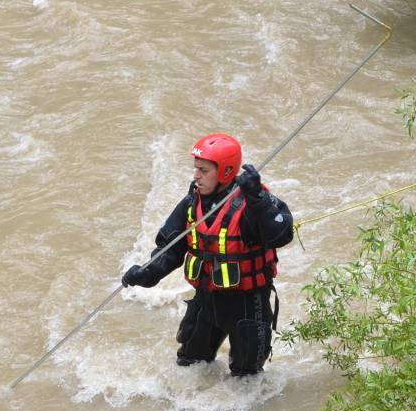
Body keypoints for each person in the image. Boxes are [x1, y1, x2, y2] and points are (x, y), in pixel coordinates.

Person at [121, 133, 293, 376]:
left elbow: (281, 234)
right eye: (196, 169)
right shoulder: (192, 203)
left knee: (247, 380)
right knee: (188, 368)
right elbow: (170, 250)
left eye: (203, 170)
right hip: (206, 302)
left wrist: (259, 199)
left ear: (225, 171)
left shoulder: (252, 203)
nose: (196, 175)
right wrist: (146, 274)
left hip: (247, 306)